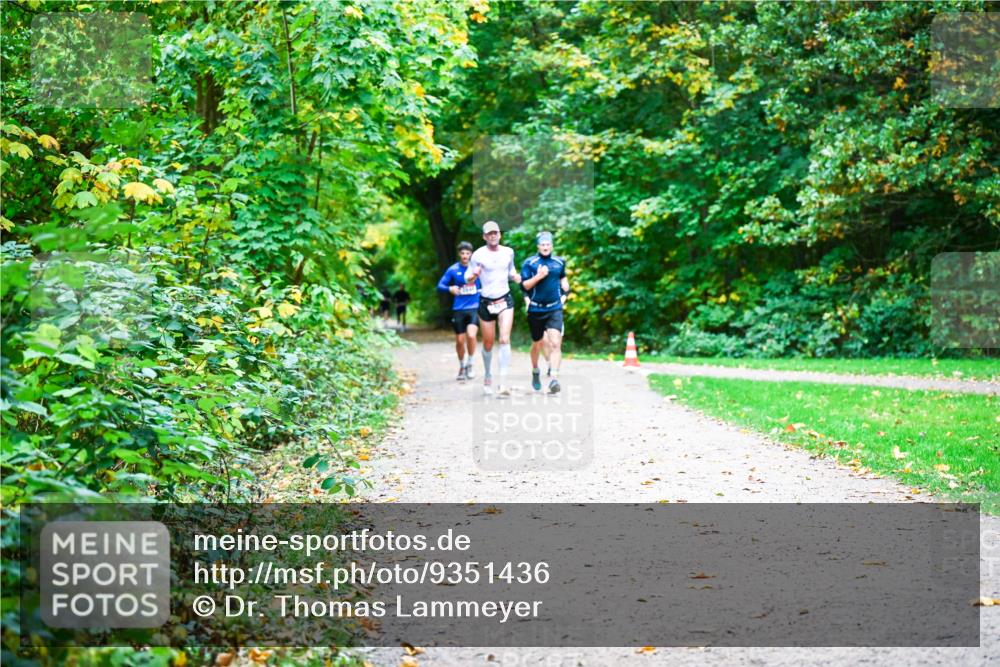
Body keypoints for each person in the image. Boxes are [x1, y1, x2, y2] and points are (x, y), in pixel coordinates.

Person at [465, 220, 521, 396]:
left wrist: (516, 277)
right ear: (484, 236)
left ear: (500, 234)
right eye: (489, 233)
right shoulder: (478, 255)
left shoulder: (508, 252)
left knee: (504, 339)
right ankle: (488, 374)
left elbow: (511, 271)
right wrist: (474, 275)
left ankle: (503, 383)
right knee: (488, 343)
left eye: (495, 232)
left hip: (505, 299)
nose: (493, 235)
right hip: (486, 302)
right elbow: (468, 277)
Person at [520, 231, 569, 394]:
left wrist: (565, 294)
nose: (545, 247)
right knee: (537, 343)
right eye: (543, 244)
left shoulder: (559, 262)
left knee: (555, 343)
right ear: (538, 246)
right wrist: (539, 277)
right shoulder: (530, 263)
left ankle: (554, 379)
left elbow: (563, 279)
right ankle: (535, 370)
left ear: (552, 246)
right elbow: (524, 286)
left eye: (548, 244)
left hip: (554, 308)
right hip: (536, 308)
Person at [437, 241, 481, 381]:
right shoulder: (453, 270)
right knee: (460, 341)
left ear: (471, 254)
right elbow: (440, 285)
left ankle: (471, 364)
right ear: (459, 254)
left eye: (468, 253)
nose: (465, 256)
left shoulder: (478, 269)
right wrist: (450, 288)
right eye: (462, 253)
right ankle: (462, 366)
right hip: (458, 309)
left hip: (474, 307)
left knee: (471, 335)